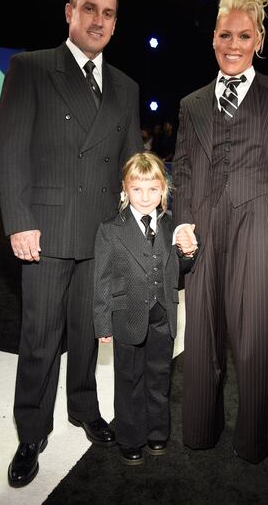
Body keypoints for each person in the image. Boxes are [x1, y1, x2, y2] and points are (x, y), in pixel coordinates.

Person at [0, 0, 142, 487]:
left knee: (89, 333)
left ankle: (83, 407)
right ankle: (32, 430)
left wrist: (136, 224)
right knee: (39, 335)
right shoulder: (31, 68)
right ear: (69, 12)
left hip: (100, 231)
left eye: (108, 14)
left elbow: (130, 165)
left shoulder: (126, 86)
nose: (98, 20)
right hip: (47, 230)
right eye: (89, 9)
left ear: (115, 23)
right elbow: (9, 149)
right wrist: (20, 222)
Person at [173, 0, 268, 464]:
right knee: (201, 339)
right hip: (203, 231)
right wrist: (183, 223)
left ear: (259, 39)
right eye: (225, 35)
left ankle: (253, 441)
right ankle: (200, 432)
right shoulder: (191, 104)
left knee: (257, 342)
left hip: (260, 225)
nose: (233, 44)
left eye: (244, 36)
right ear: (213, 37)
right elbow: (184, 166)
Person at [93, 152, 194, 465]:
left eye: (153, 189)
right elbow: (102, 281)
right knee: (129, 382)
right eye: (137, 189)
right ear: (125, 190)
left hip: (163, 317)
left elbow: (177, 266)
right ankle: (131, 436)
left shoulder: (170, 228)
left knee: (159, 378)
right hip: (127, 318)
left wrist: (188, 253)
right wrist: (103, 325)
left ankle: (156, 433)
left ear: (163, 190)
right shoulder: (110, 230)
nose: (145, 196)